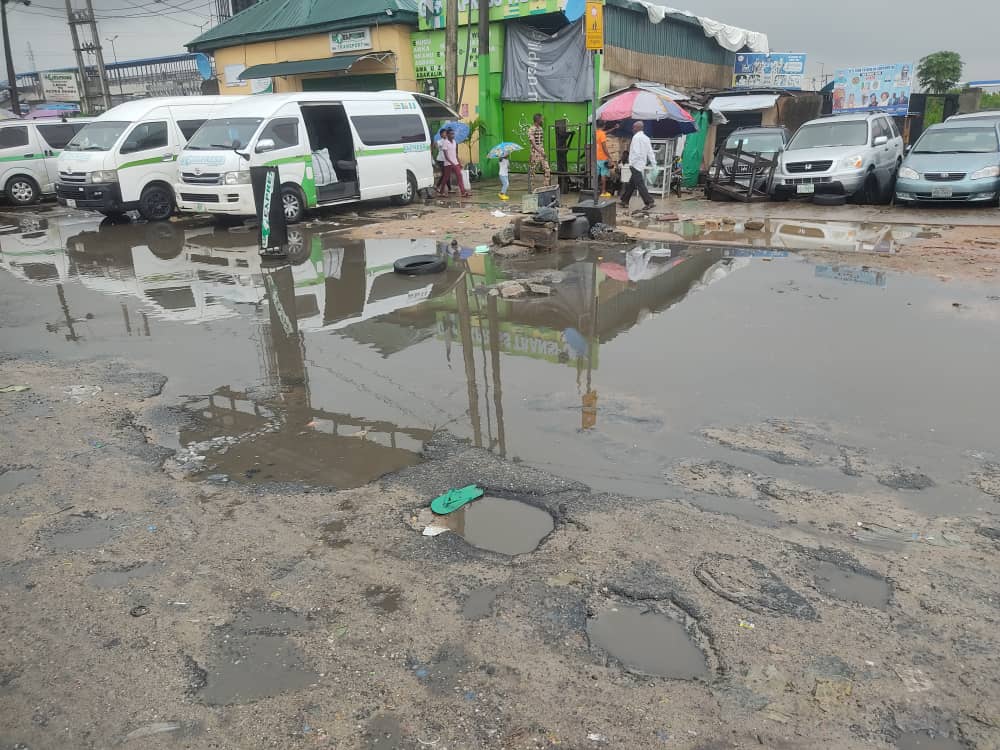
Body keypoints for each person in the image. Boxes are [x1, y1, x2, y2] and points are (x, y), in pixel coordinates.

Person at [620, 121, 656, 212]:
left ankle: (649, 201)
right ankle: (624, 200)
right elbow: (650, 152)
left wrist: (632, 162)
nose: (632, 129)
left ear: (637, 128)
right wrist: (654, 163)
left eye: (633, 127)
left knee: (639, 184)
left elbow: (636, 152)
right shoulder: (646, 138)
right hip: (641, 164)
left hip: (635, 164)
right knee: (632, 183)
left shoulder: (636, 138)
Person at [436, 128, 470, 198]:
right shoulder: (445, 142)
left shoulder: (454, 142)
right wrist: (451, 163)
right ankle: (441, 191)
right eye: (451, 134)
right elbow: (446, 155)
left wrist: (459, 163)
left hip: (455, 162)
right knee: (446, 178)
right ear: (447, 135)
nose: (453, 135)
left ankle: (463, 192)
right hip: (448, 164)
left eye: (453, 134)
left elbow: (455, 153)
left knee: (459, 176)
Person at [527, 113, 551, 185]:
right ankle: (531, 187)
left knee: (547, 169)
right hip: (535, 152)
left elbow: (541, 142)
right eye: (542, 119)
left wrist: (542, 151)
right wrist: (540, 151)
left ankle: (546, 185)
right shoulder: (531, 129)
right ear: (538, 120)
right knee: (532, 170)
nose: (543, 120)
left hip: (541, 151)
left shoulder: (540, 128)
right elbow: (533, 143)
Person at [595, 120, 613, 198]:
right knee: (603, 175)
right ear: (604, 126)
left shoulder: (596, 133)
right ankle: (603, 191)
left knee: (596, 175)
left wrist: (614, 128)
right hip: (602, 157)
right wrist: (609, 156)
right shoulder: (602, 134)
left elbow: (606, 132)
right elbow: (604, 147)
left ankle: (595, 190)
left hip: (596, 157)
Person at [434, 127, 453, 193]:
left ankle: (450, 189)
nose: (445, 134)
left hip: (447, 160)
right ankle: (437, 186)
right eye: (444, 133)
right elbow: (436, 146)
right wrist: (436, 144)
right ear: (441, 134)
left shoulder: (448, 141)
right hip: (441, 160)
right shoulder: (440, 141)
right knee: (445, 174)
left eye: (446, 133)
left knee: (447, 174)